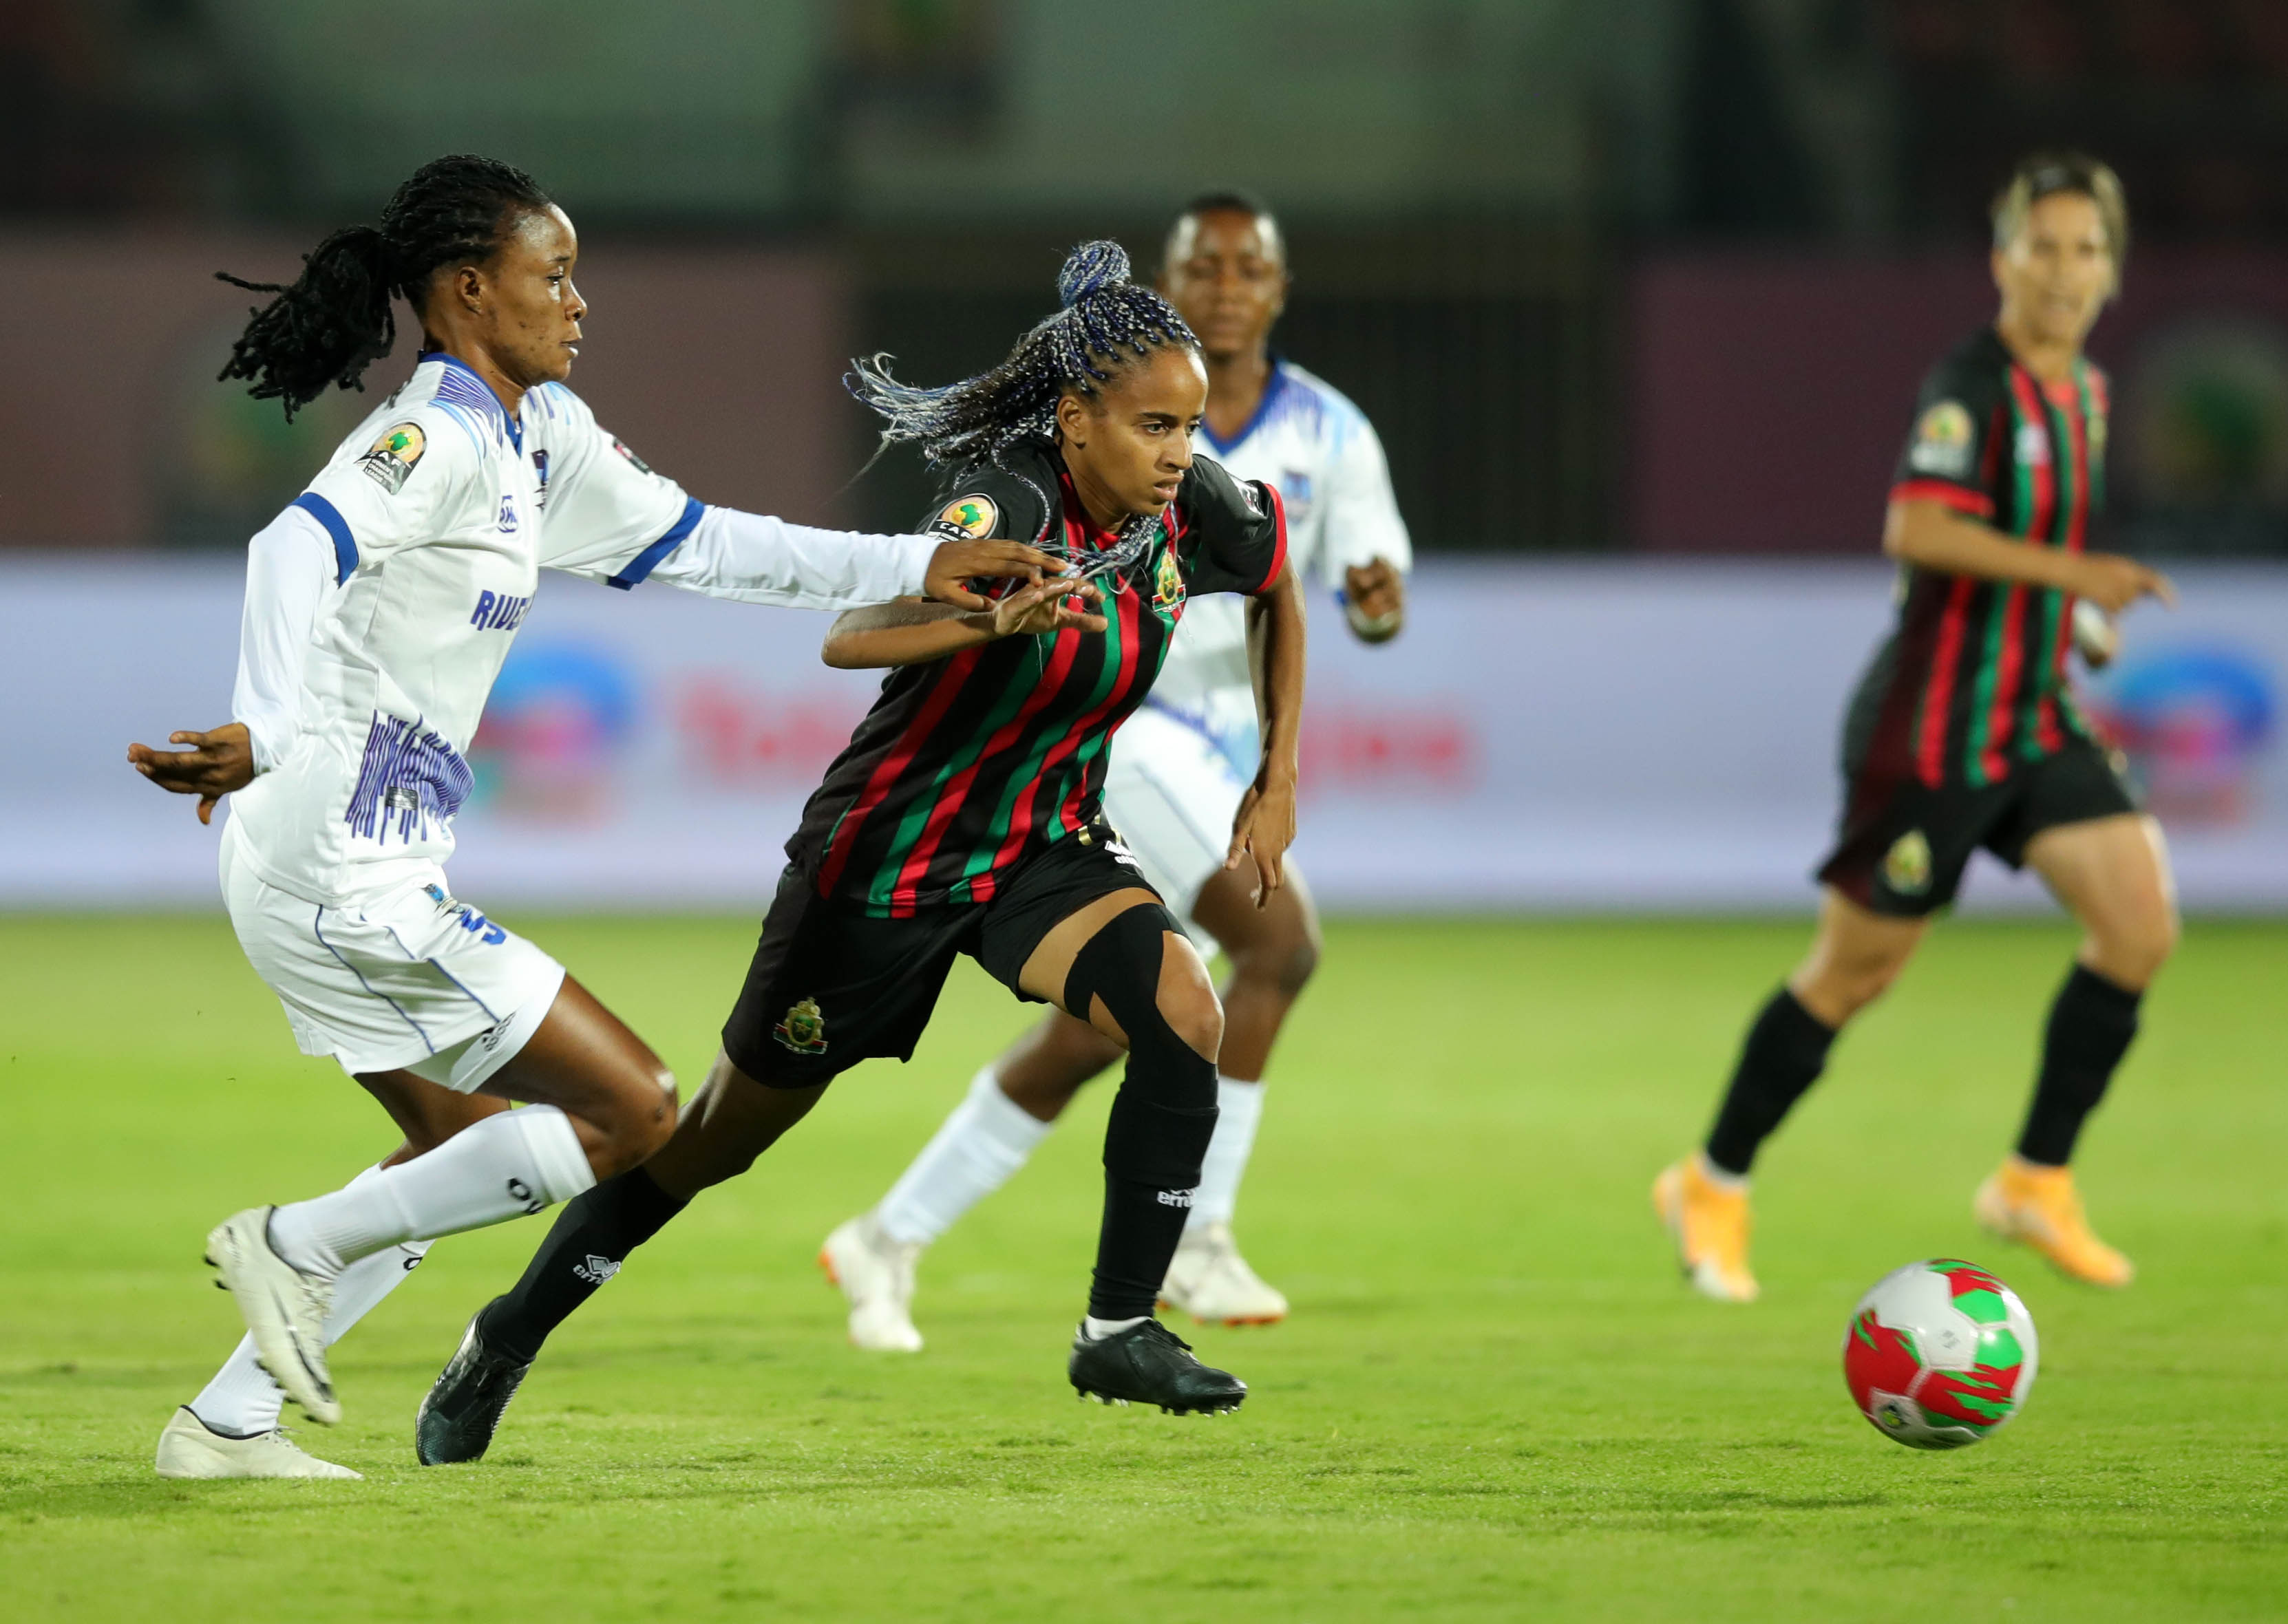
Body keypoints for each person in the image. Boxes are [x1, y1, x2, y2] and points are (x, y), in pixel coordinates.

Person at [129, 153, 1053, 1479]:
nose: (578, 303)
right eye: (551, 275)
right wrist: (266, 729)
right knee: (634, 1111)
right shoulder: (437, 434)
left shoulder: (536, 434)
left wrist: (918, 560)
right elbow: (294, 546)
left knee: (456, 1153)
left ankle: (224, 1425)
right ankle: (291, 1243)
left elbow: (709, 543)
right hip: (336, 860)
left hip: (349, 857)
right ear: (467, 290)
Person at [411, 238, 1306, 1466]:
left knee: (1182, 1005)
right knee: (716, 1139)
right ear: (1076, 418)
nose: (1178, 454)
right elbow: (852, 634)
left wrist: (1276, 777)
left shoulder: (1184, 502)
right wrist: (985, 621)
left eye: (1189, 428)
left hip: (1043, 850)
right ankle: (507, 1334)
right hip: (884, 869)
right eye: (1154, 427)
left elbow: (1275, 578)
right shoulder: (1008, 506)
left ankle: (1118, 1326)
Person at [820, 191, 1410, 1349]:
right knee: (1278, 945)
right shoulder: (1098, 430)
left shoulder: (1330, 432)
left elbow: (1340, 589)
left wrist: (1374, 613)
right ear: (1168, 293)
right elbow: (877, 616)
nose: (1229, 288)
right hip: (1124, 731)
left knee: (1115, 1026)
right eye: (1206, 269)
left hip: (1219, 738)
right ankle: (1198, 1237)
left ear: (1280, 290)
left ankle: (887, 1236)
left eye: (1251, 269)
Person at [1653, 152, 2178, 1302]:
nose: (2065, 272)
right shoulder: (1969, 387)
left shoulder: (2086, 394)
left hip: (2033, 716)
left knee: (2139, 926)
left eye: (2087, 250)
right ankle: (1710, 1180)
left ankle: (2035, 1180)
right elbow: (1920, 530)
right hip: (1933, 730)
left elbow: (2030, 555)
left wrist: (2076, 619)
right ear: (2002, 261)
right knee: (1855, 974)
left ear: (2112, 269)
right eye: (2043, 248)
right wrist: (2076, 575)